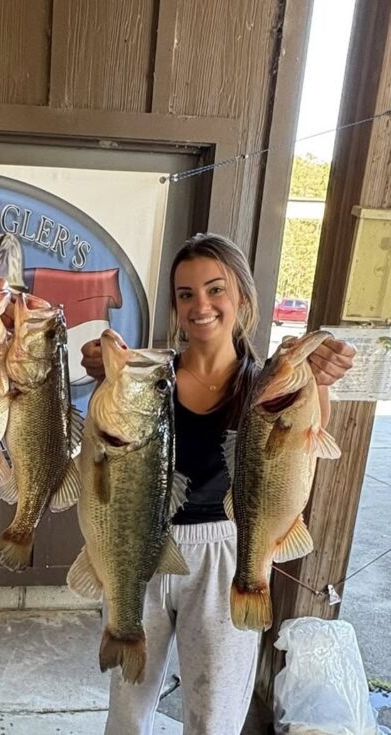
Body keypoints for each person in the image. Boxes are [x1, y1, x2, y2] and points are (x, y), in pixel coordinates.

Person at [80, 233, 355, 735]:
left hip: (226, 550)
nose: (200, 305)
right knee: (127, 710)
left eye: (215, 290)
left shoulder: (267, 384)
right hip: (140, 541)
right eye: (186, 294)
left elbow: (306, 445)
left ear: (242, 299)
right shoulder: (148, 377)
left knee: (213, 714)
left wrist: (320, 379)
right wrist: (101, 364)